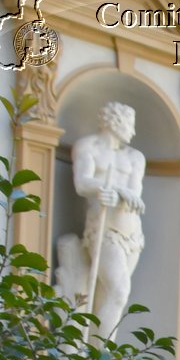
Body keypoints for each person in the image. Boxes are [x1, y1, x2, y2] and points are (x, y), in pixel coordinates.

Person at [64, 101, 146, 338]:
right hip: (103, 230)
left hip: (132, 235)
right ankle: (103, 358)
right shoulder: (88, 147)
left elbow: (134, 193)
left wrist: (117, 193)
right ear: (115, 122)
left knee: (110, 295)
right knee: (119, 291)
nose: (133, 131)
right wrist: (103, 189)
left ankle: (95, 349)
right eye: (129, 124)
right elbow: (82, 183)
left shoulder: (134, 157)